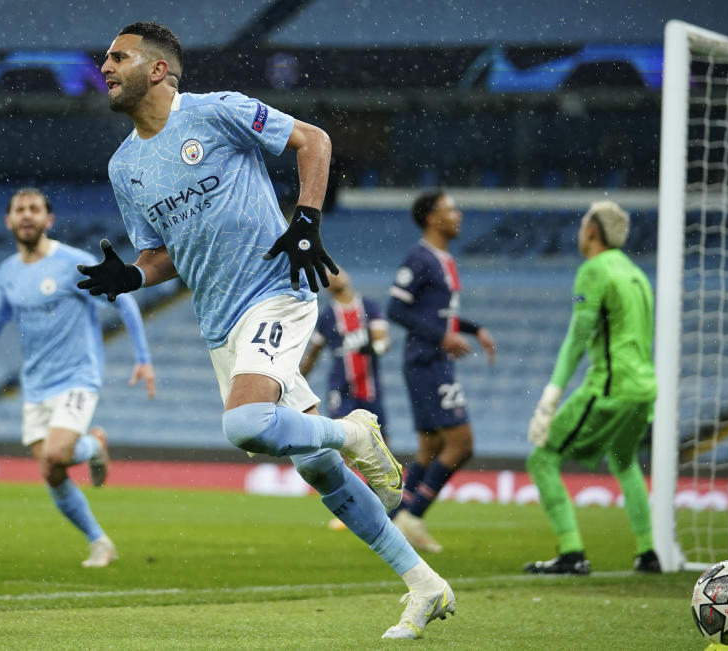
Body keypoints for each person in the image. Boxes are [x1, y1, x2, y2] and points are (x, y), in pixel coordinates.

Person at [77, 22, 455, 639]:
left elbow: (313, 140)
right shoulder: (125, 168)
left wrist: (306, 221)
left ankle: (355, 431)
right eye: (106, 58)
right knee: (317, 469)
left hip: (275, 291)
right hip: (221, 322)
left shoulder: (218, 112)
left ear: (158, 70)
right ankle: (425, 584)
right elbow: (160, 254)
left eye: (119, 57)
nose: (106, 66)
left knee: (245, 424)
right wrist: (131, 278)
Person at [0, 187, 156, 568]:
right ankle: (99, 541)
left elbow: (123, 299)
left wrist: (142, 357)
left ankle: (93, 448)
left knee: (58, 452)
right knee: (51, 470)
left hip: (77, 376)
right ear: (9, 221)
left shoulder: (73, 263)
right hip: (36, 384)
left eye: (34, 209)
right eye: (20, 209)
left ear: (48, 220)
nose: (27, 215)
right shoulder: (7, 272)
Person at [523, 200, 660, 575]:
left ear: (593, 231)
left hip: (611, 388)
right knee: (623, 460)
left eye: (583, 224)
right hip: (645, 389)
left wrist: (550, 398)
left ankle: (572, 553)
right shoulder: (635, 273)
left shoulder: (594, 270)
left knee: (541, 458)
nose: (580, 231)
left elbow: (577, 338)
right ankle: (648, 553)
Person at [387, 190, 496, 554]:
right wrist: (443, 338)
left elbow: (438, 314)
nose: (458, 214)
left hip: (433, 359)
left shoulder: (443, 258)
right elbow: (396, 310)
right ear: (433, 218)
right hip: (426, 361)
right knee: (461, 444)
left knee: (431, 448)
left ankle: (393, 518)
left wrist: (472, 328)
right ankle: (412, 516)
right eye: (451, 209)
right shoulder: (419, 258)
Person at [299, 266, 391, 531]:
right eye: (328, 273)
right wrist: (294, 379)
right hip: (341, 388)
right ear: (325, 284)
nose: (334, 275)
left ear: (348, 275)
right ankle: (353, 507)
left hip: (369, 387)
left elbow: (383, 341)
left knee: (381, 444)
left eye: (337, 270)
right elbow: (313, 354)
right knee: (344, 445)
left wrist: (373, 348)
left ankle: (384, 502)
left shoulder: (369, 307)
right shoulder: (327, 317)